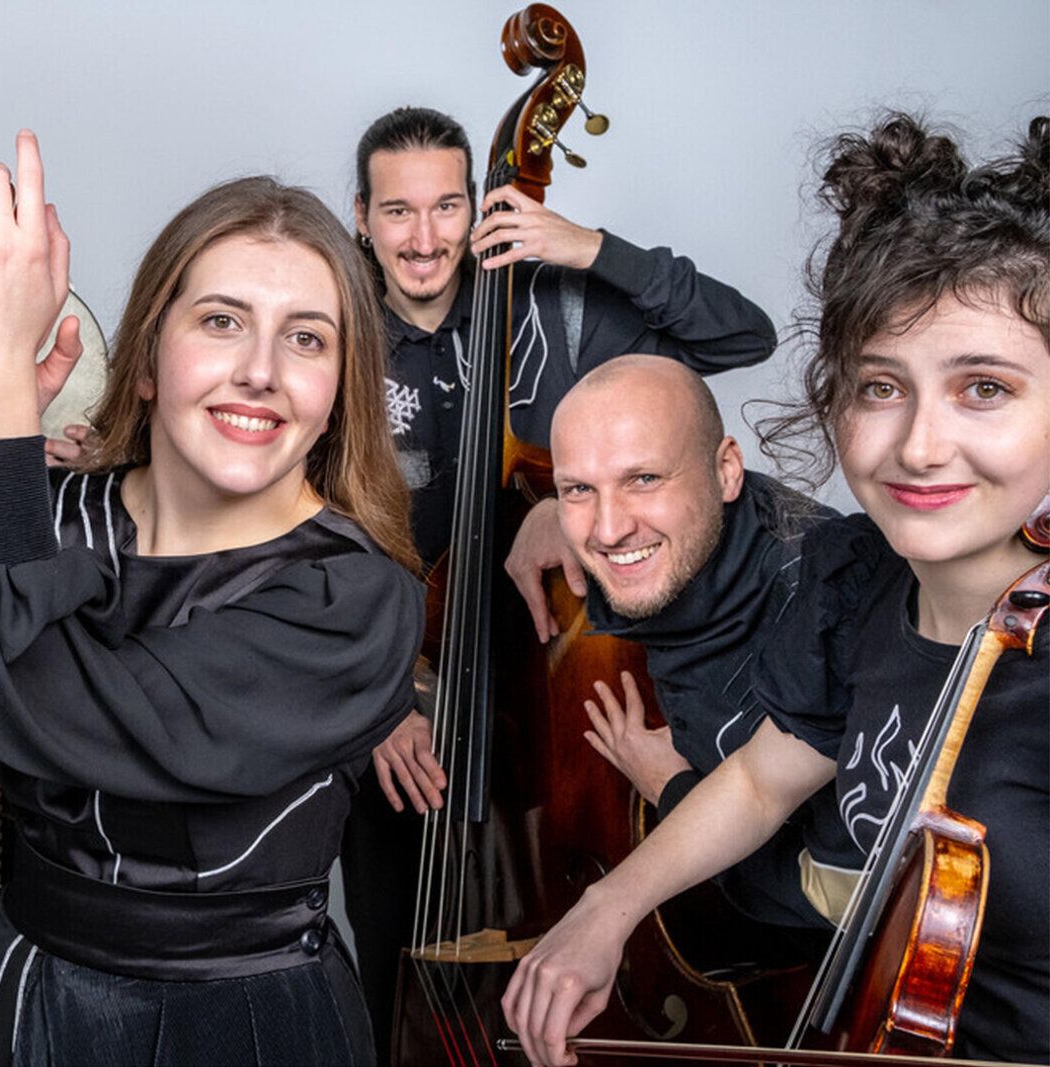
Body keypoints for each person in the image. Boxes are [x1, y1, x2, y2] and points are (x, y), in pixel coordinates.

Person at [0, 132, 425, 1065]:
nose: (262, 371)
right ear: (147, 362)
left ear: (338, 391)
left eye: (307, 338)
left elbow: (39, 706)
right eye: (223, 321)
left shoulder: (356, 598)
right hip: (30, 1006)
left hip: (250, 1028)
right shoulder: (46, 519)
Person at [504, 113, 1050, 1066]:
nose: (919, 444)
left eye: (986, 389)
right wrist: (607, 907)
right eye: (881, 386)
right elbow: (761, 779)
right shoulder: (858, 588)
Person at [341, 105, 781, 1056]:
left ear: (478, 204)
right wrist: (373, 698)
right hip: (394, 709)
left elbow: (745, 337)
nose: (426, 238)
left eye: (447, 206)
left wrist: (594, 250)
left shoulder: (553, 301)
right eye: (398, 211)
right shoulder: (331, 339)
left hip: (549, 700)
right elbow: (290, 531)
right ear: (363, 218)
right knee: (395, 981)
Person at [505, 354, 855, 935]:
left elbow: (830, 903)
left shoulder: (827, 608)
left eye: (643, 479)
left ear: (725, 470)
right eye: (579, 488)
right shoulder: (653, 537)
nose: (609, 528)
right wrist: (546, 510)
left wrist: (670, 787)